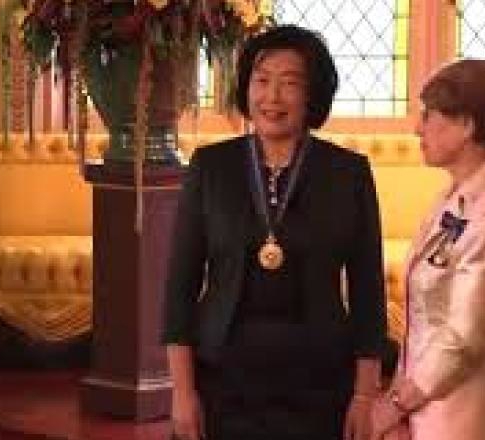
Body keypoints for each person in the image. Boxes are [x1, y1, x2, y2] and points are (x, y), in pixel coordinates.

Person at [161, 24, 387, 440]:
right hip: (221, 381)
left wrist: (364, 398)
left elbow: (369, 293)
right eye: (261, 81)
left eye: (290, 84)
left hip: (319, 383)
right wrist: (182, 392)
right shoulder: (210, 168)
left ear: (312, 95)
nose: (273, 97)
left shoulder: (348, 174)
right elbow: (179, 290)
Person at [370, 58, 485, 440]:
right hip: (433, 403)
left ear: (466, 126)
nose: (417, 129)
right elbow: (427, 319)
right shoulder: (457, 194)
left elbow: (464, 337)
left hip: (468, 416)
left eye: (429, 116)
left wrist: (396, 404)